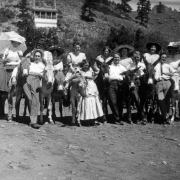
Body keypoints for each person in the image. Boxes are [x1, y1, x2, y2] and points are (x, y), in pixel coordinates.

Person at [23, 49, 46, 129]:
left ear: (41, 57)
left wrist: (40, 75)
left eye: (38, 56)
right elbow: (24, 69)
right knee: (29, 99)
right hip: (27, 80)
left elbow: (45, 75)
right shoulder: (30, 63)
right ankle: (31, 119)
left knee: (35, 101)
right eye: (36, 56)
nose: (37, 57)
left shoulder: (43, 65)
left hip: (36, 81)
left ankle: (33, 121)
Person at [77, 60, 104, 125]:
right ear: (82, 65)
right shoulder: (80, 71)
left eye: (88, 65)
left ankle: (93, 119)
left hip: (92, 86)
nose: (87, 66)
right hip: (84, 87)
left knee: (93, 102)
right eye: (85, 65)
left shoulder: (91, 70)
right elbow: (78, 78)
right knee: (87, 101)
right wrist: (84, 78)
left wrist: (90, 77)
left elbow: (96, 73)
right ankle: (87, 119)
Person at [154, 53, 177, 124]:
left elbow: (175, 72)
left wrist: (167, 74)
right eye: (162, 57)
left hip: (167, 82)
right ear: (160, 58)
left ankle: (165, 117)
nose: (163, 58)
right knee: (160, 99)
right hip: (159, 83)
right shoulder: (156, 66)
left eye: (165, 57)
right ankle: (165, 116)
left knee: (167, 99)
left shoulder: (168, 66)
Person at [107, 53, 127, 125]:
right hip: (111, 84)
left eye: (118, 58)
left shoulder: (122, 67)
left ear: (120, 59)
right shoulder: (109, 67)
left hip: (120, 84)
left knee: (120, 102)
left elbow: (127, 75)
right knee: (112, 101)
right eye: (115, 58)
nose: (116, 59)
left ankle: (119, 118)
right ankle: (117, 118)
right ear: (113, 58)